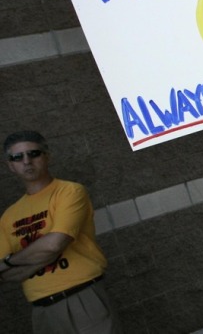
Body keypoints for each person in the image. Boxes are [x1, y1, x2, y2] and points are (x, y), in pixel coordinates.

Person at [0, 131, 121, 334]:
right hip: (41, 311)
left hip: (81, 297)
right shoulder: (8, 217)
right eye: (17, 157)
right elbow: (3, 276)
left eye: (34, 153)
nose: (27, 161)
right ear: (10, 165)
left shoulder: (69, 191)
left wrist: (10, 261)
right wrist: (41, 257)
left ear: (47, 156)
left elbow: (54, 244)